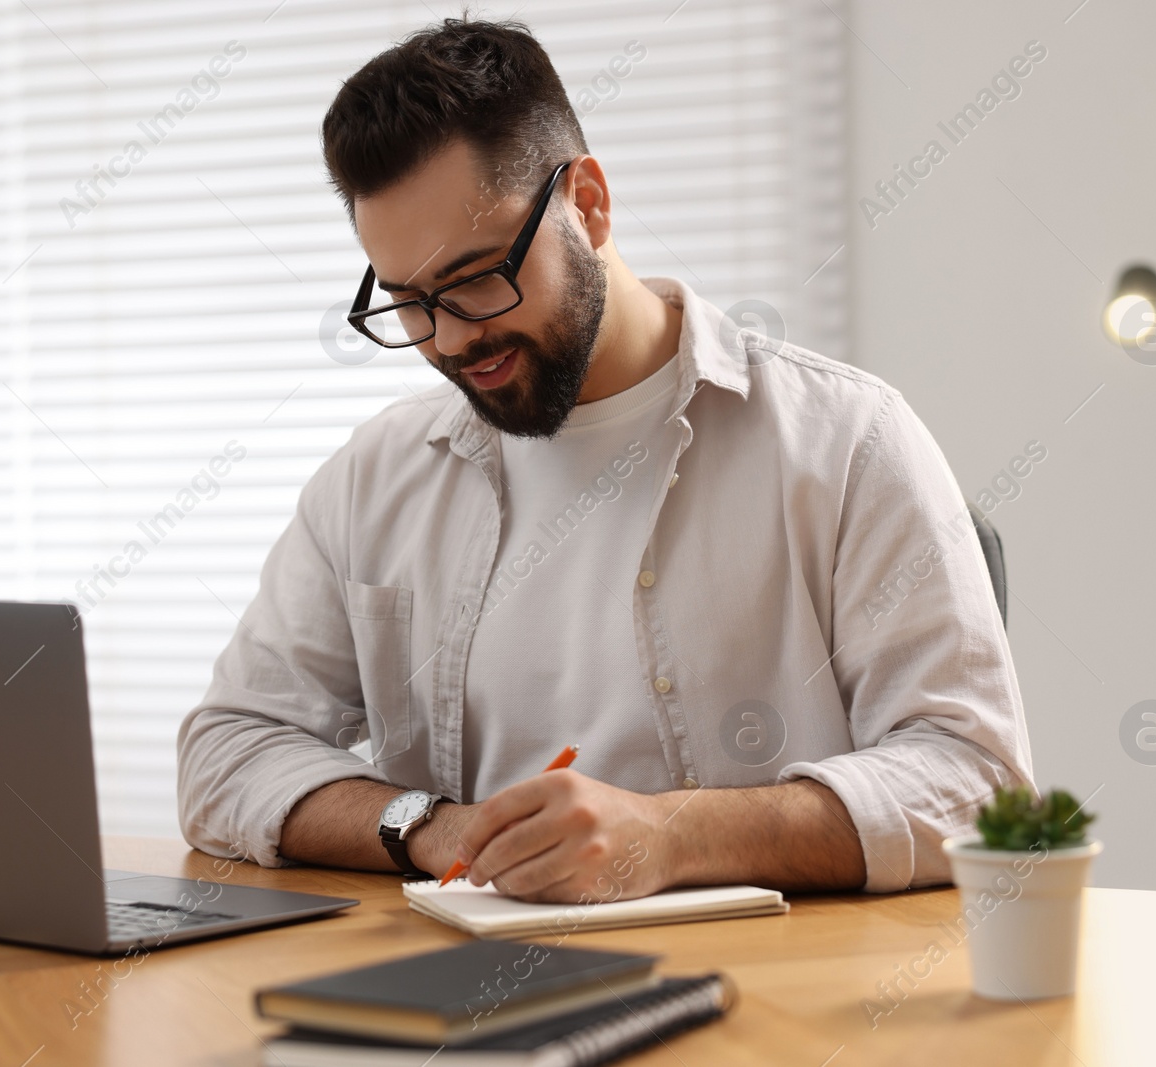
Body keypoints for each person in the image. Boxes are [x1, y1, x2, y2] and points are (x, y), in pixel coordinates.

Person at [177, 17, 1032, 903]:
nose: (455, 339)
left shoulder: (848, 441)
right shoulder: (375, 476)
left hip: (771, 1002)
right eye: (411, 303)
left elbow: (976, 783)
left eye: (477, 279)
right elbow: (227, 752)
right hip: (460, 1002)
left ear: (587, 204)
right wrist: (434, 828)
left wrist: (671, 836)